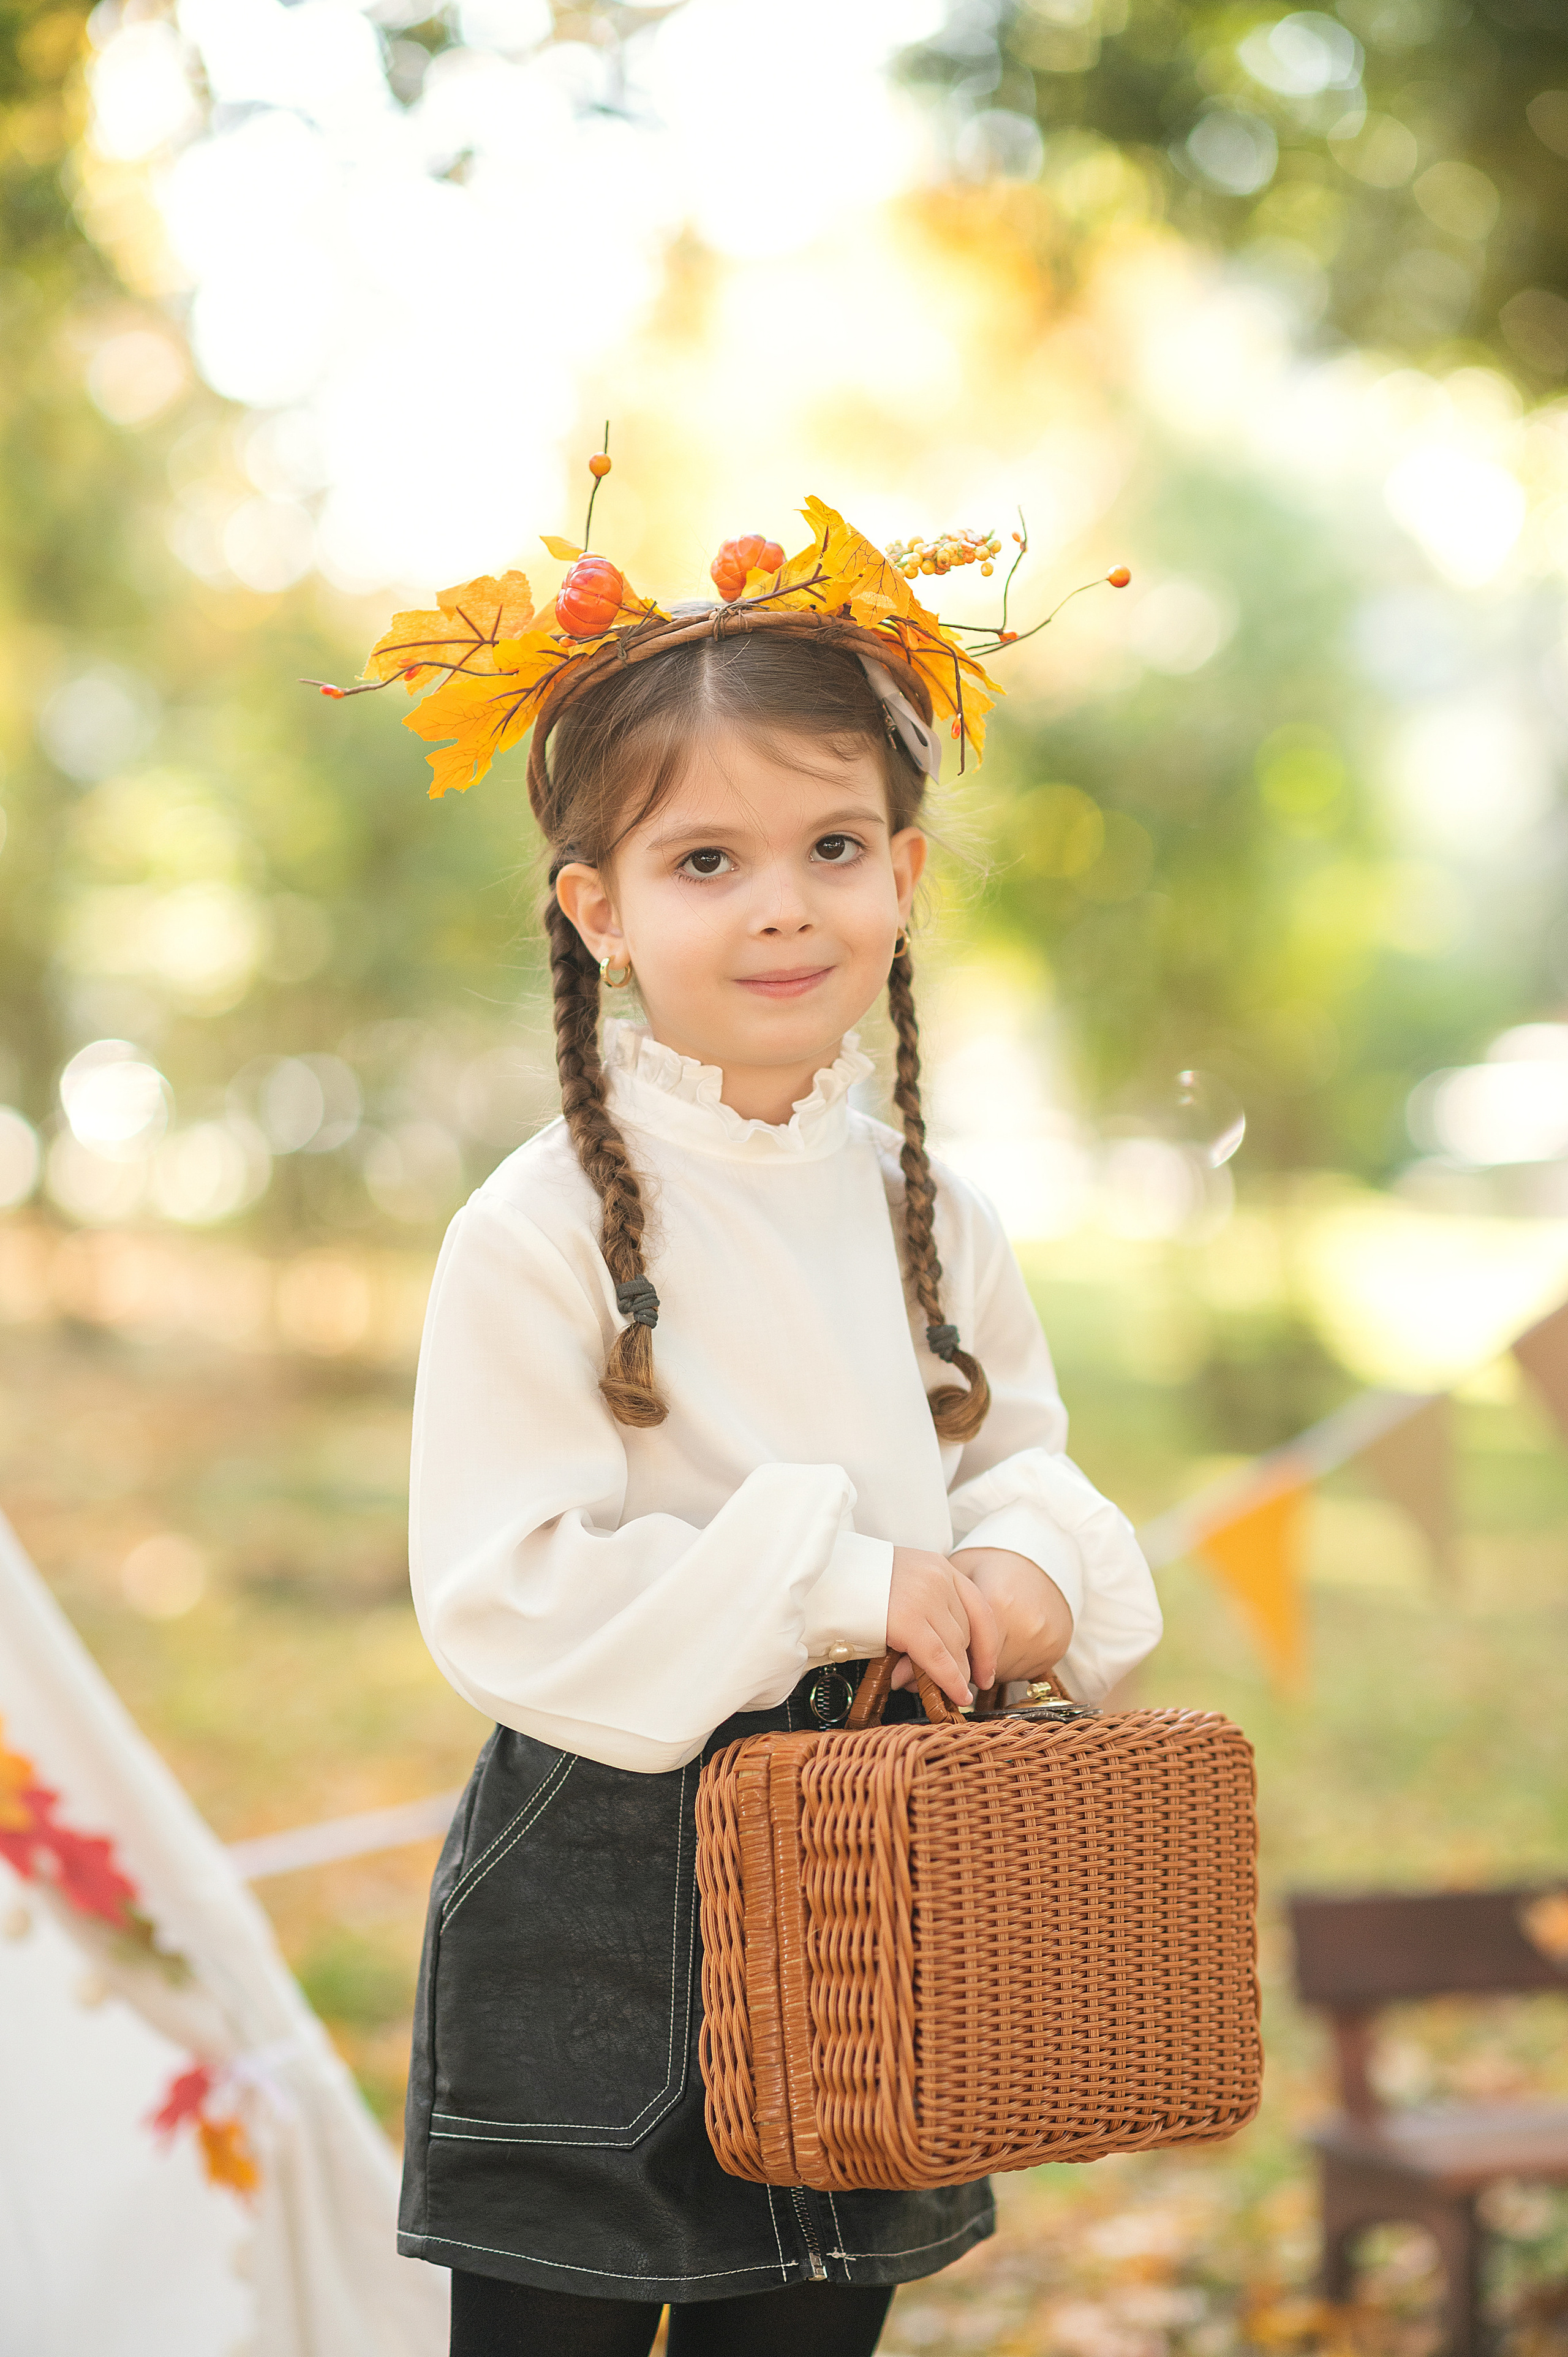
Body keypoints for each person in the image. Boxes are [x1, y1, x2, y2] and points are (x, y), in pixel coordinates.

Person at [379, 505, 1163, 2356]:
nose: (782, 903)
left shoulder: (930, 1209)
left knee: (811, 2325)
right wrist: (841, 1576)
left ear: (902, 871)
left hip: (886, 1858)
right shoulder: (543, 1223)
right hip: (606, 1873)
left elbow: (1020, 1457)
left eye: (829, 848)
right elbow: (509, 1581)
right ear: (603, 909)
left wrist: (1023, 1569)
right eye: (707, 859)